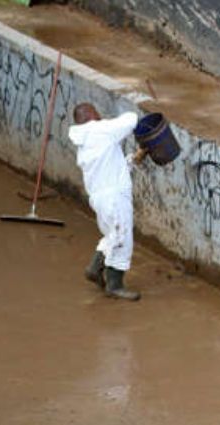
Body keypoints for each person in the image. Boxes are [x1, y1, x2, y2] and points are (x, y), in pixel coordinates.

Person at [68, 103, 142, 301]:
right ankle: (114, 284)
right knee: (122, 238)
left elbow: (110, 166)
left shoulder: (85, 143)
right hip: (114, 198)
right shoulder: (100, 129)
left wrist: (132, 160)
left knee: (113, 235)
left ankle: (95, 268)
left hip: (101, 198)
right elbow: (131, 119)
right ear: (92, 115)